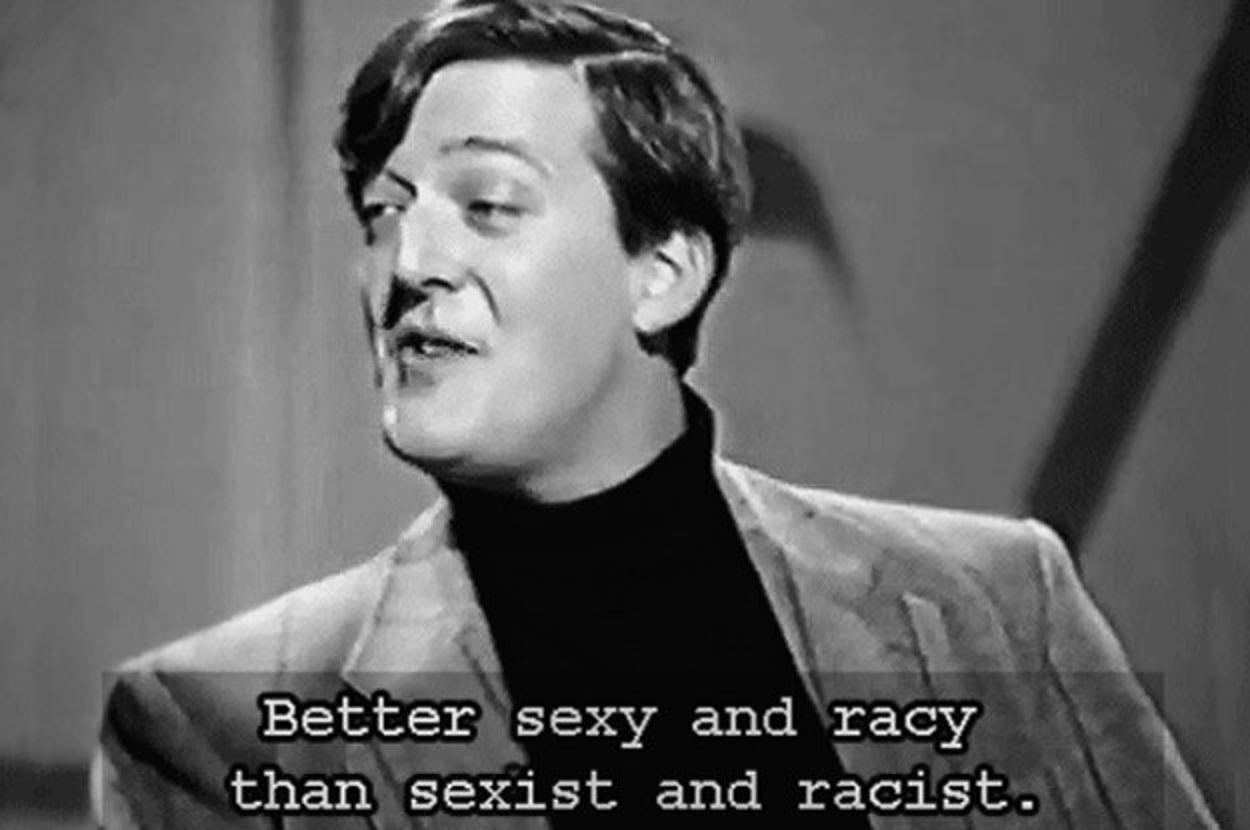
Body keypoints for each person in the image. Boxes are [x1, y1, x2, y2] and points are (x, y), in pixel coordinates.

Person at [94, 1, 1218, 827]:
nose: (409, 262)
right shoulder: (218, 721)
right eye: (383, 214)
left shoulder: (997, 606)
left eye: (487, 203)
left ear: (664, 273)